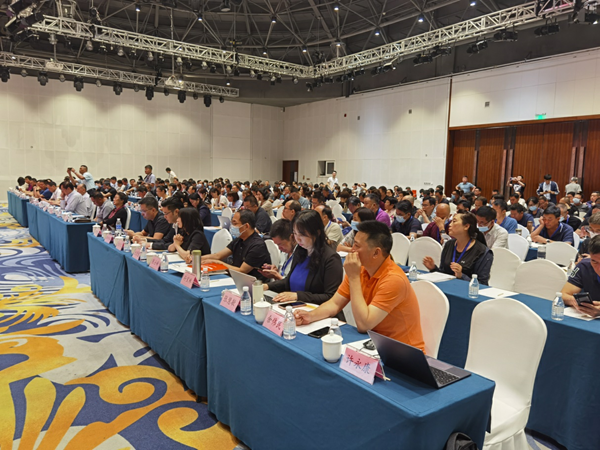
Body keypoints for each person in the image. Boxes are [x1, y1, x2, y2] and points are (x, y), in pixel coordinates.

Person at [294, 220, 425, 350]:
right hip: (372, 344)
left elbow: (364, 325)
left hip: (402, 352)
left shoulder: (393, 279)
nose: (352, 250)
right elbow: (335, 303)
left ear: (376, 253)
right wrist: (311, 316)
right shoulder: (361, 269)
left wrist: (353, 277)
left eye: (357, 246)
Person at [264, 210, 343, 304]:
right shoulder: (300, 251)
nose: (297, 239)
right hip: (294, 308)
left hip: (316, 310)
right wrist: (267, 286)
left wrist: (297, 296)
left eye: (302, 234)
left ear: (317, 233)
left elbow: (331, 297)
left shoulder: (331, 259)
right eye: (295, 233)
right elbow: (288, 281)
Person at [423, 213, 493, 285]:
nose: (450, 225)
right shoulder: (449, 244)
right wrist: (433, 268)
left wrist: (461, 275)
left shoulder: (483, 252)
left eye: (454, 221)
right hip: (447, 287)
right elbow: (443, 274)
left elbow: (482, 284)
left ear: (466, 226)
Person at [201, 210, 271, 280]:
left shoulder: (258, 245)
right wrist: (197, 258)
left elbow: (242, 271)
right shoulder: (239, 239)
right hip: (236, 278)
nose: (232, 226)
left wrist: (217, 263)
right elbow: (217, 256)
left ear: (246, 226)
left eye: (235, 223)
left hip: (252, 282)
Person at [560, 236, 600, 316]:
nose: (598, 268)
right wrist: (577, 302)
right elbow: (563, 295)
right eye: (594, 261)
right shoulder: (584, 266)